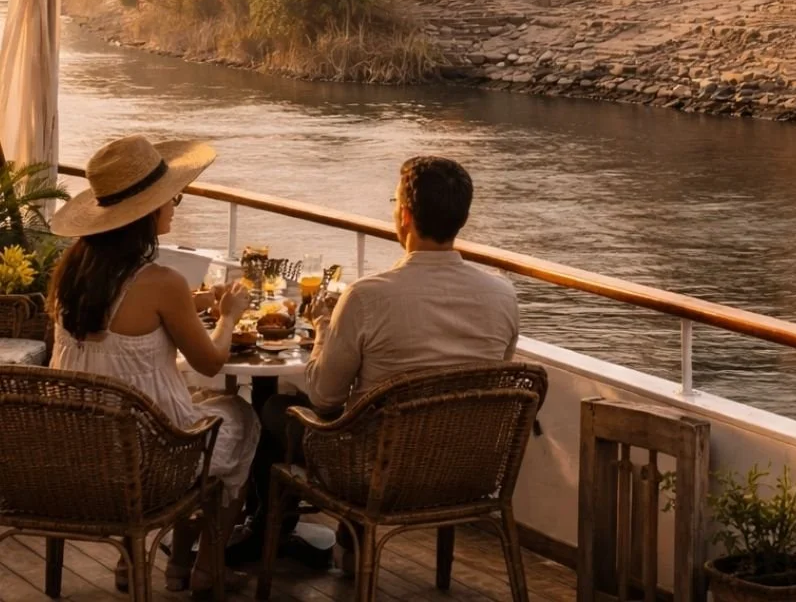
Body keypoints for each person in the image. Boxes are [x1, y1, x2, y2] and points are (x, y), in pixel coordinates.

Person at [247, 156, 518, 558]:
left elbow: (324, 398)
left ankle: (264, 541)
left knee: (274, 409)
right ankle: (348, 544)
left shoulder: (368, 296)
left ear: (404, 215)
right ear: (462, 217)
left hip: (375, 474)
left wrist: (324, 327)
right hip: (466, 472)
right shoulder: (503, 296)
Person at [49, 135, 258, 596]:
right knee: (241, 418)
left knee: (195, 406)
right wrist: (228, 316)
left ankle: (145, 563)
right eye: (172, 198)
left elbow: (120, 320)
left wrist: (196, 302)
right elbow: (210, 362)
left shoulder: (73, 273)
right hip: (151, 463)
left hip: (78, 455)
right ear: (146, 213)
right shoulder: (163, 282)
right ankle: (206, 567)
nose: (175, 206)